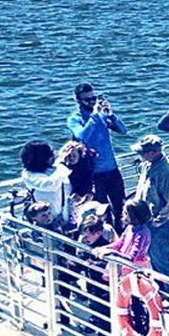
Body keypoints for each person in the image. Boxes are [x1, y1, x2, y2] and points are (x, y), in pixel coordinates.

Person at [67, 82, 128, 227]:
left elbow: (123, 130)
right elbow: (82, 137)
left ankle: (123, 234)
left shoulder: (101, 115)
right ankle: (107, 235)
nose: (92, 102)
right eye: (87, 99)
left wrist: (111, 115)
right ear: (78, 100)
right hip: (93, 173)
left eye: (94, 98)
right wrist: (94, 116)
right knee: (101, 211)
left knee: (121, 206)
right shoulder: (75, 119)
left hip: (112, 170)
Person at [131, 135, 169, 278]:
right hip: (146, 221)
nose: (140, 155)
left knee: (161, 259)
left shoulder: (166, 174)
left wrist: (156, 221)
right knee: (151, 257)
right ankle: (159, 286)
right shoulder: (147, 165)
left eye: (142, 153)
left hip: (160, 226)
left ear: (153, 153)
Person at [19, 140, 72, 232]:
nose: (53, 155)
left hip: (65, 216)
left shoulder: (54, 168)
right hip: (47, 221)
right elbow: (51, 184)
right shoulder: (29, 175)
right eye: (51, 153)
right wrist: (62, 164)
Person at [98, 197, 153, 269]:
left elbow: (131, 258)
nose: (123, 215)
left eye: (126, 213)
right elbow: (119, 243)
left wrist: (114, 253)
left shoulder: (142, 234)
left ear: (135, 216)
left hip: (134, 269)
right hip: (123, 265)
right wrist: (103, 248)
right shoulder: (130, 227)